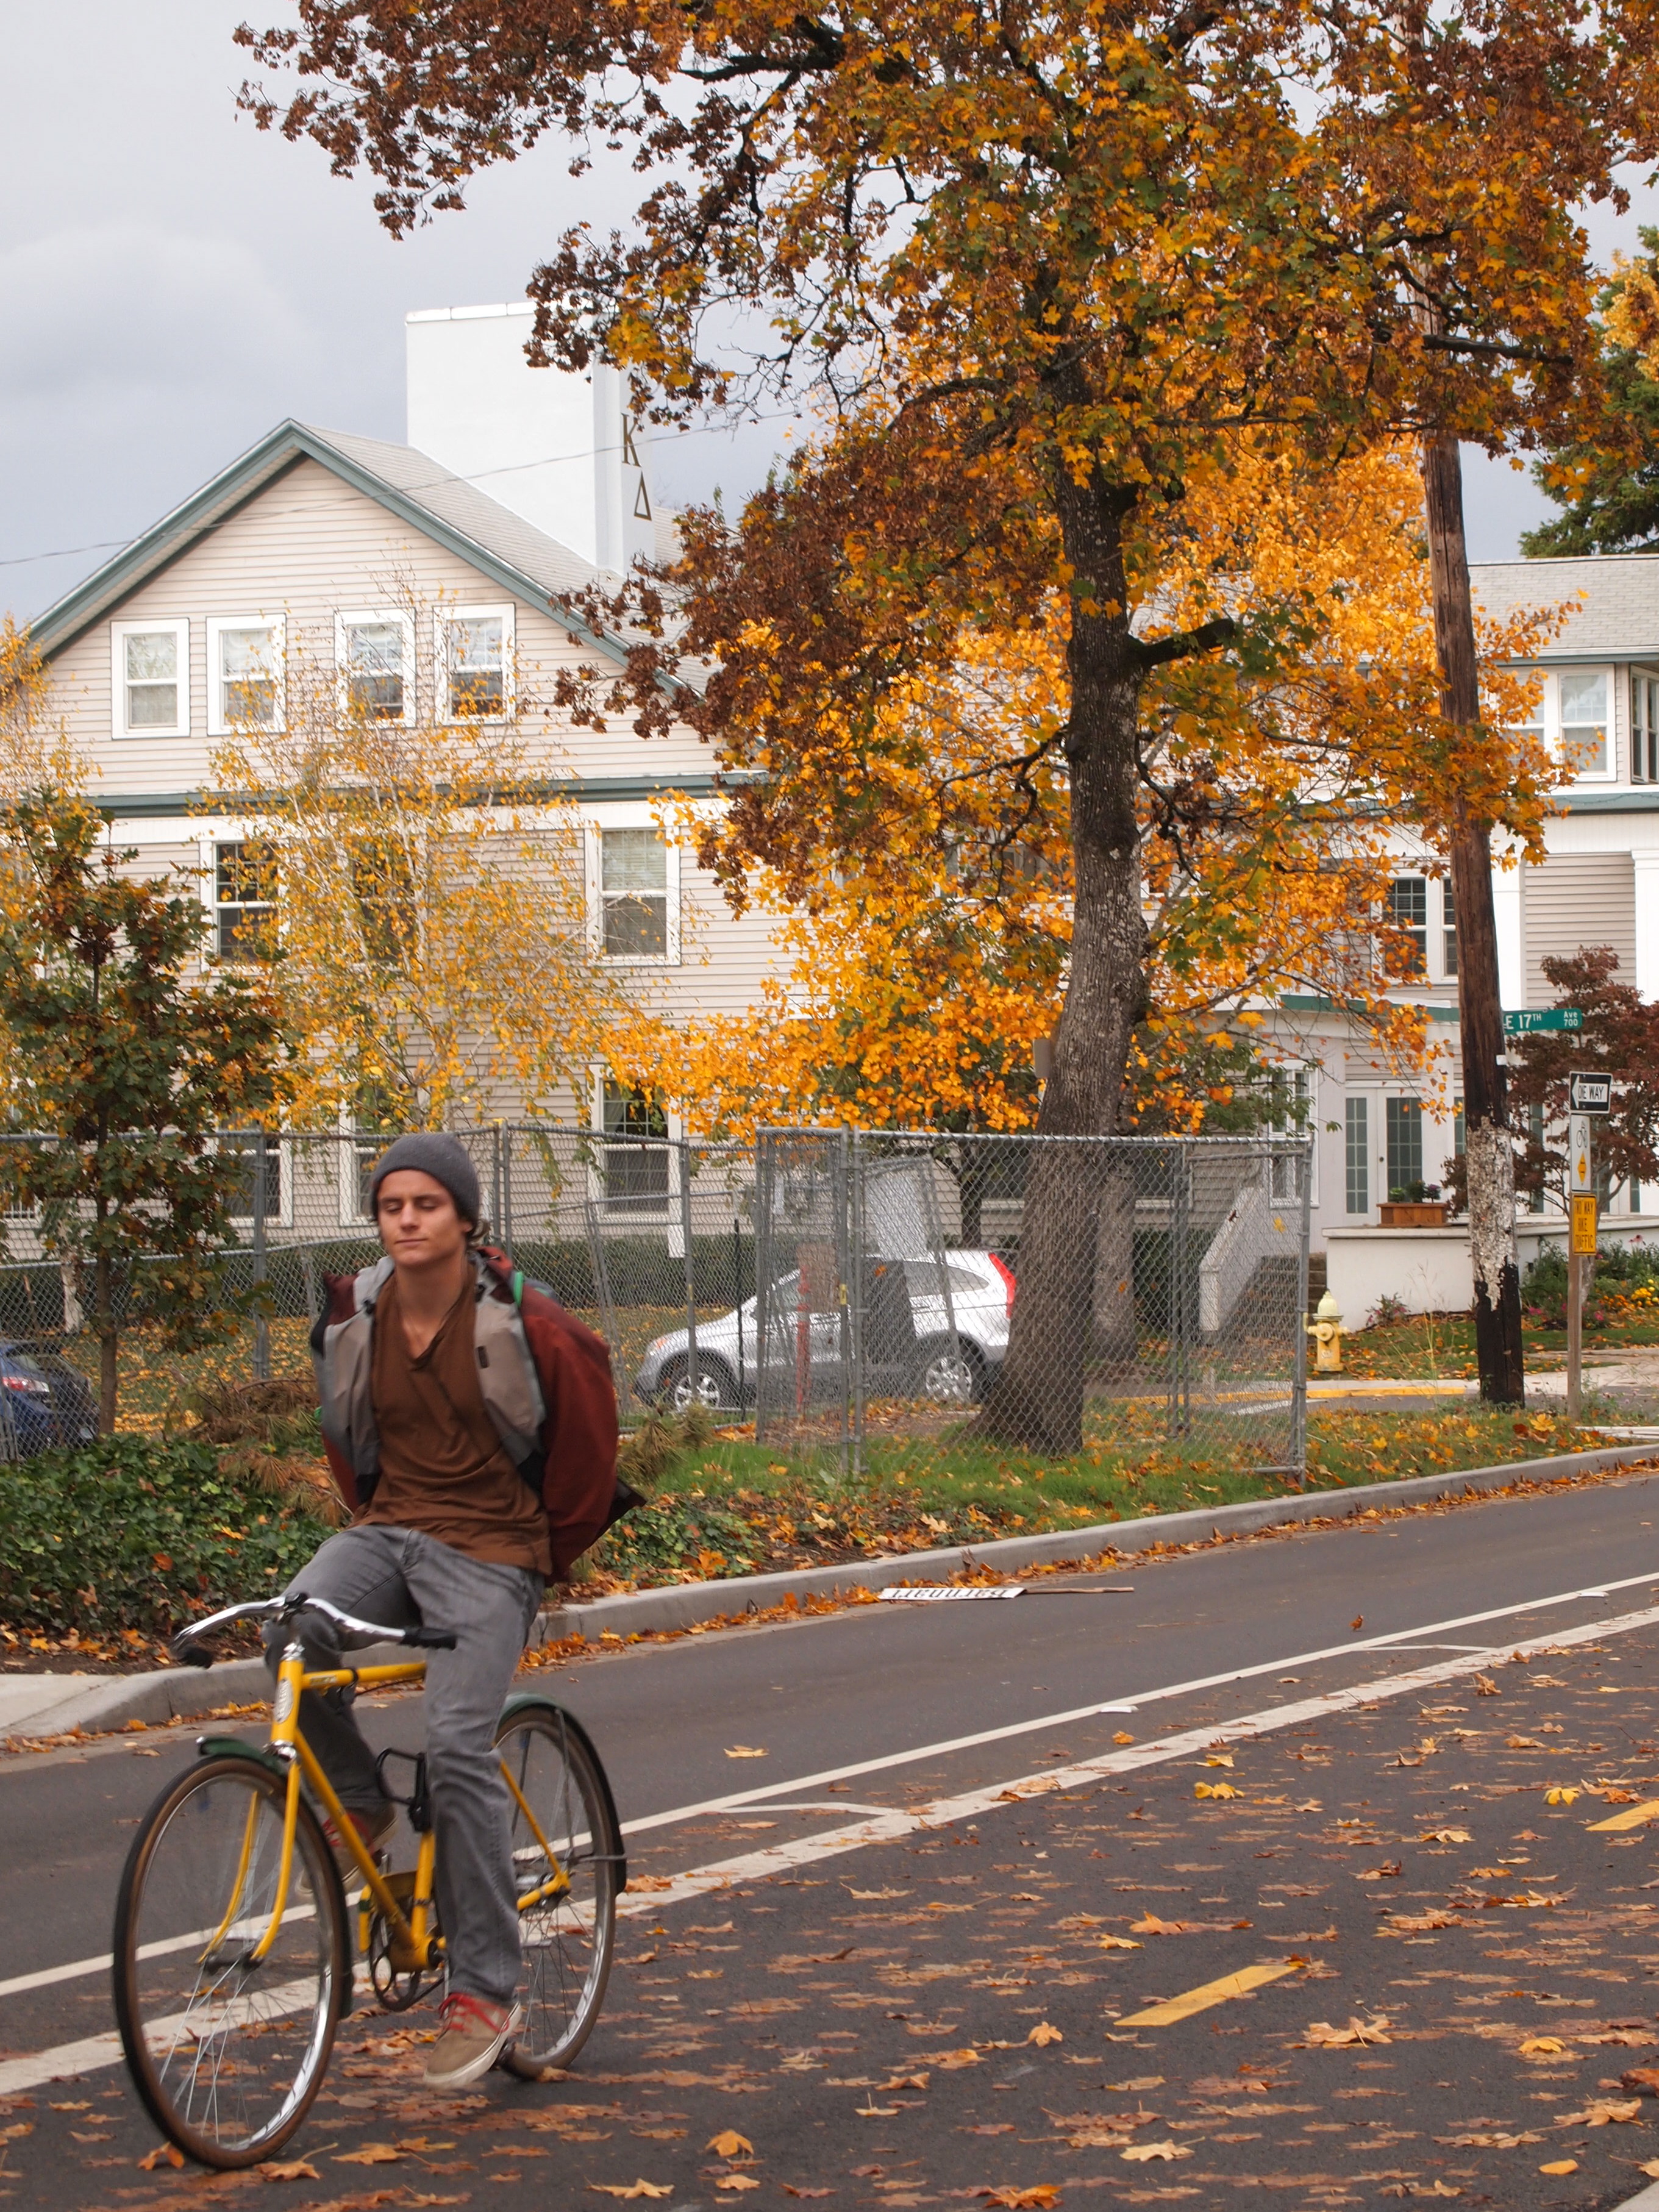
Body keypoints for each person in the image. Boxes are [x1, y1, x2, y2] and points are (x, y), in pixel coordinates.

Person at [267, 1132, 622, 2090]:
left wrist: (542, 1555)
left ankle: (485, 1990)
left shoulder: (526, 1320)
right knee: (291, 1629)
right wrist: (369, 1521)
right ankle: (362, 1802)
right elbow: (344, 1426)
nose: (408, 1221)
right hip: (389, 1527)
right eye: (392, 1207)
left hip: (493, 1545)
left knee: (459, 1741)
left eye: (426, 1204)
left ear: (465, 1218)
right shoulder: (357, 1313)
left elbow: (589, 1443)